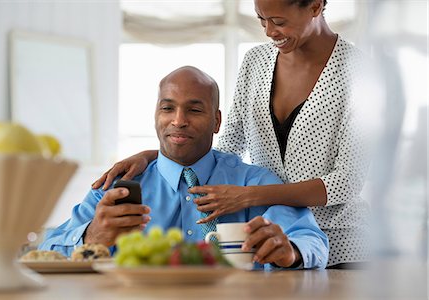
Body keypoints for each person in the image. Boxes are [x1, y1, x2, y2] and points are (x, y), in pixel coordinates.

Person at [92, 0, 377, 269]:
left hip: (341, 245)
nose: (268, 31)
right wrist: (157, 155)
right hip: (268, 240)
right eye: (261, 19)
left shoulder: (360, 72)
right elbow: (228, 144)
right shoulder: (256, 61)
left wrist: (249, 196)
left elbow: (346, 182)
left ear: (315, 6)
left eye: (278, 21)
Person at [40, 66, 328, 269]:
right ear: (156, 116)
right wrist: (92, 237)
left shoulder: (256, 183)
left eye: (194, 109)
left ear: (217, 122)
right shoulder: (118, 187)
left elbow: (312, 242)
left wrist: (291, 251)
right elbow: (45, 251)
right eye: (167, 108)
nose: (178, 121)